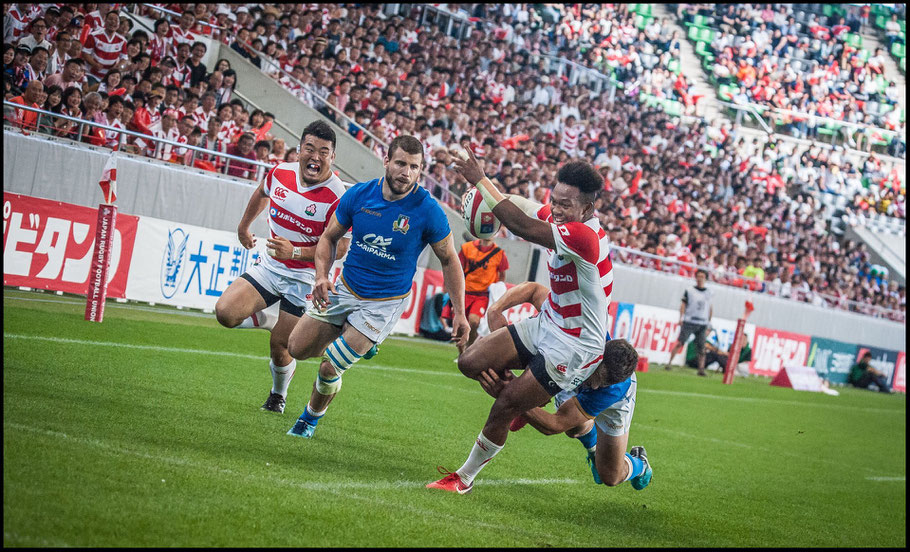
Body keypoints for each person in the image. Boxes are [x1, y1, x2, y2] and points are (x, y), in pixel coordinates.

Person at [427, 150, 613, 494]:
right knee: (470, 362)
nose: (555, 210)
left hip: (574, 345)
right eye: (554, 201)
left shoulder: (585, 238)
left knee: (505, 403)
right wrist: (489, 194)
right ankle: (528, 393)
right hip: (548, 323)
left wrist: (480, 180)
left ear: (586, 210)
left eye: (565, 205)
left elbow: (522, 224)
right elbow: (525, 206)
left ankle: (464, 477)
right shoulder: (561, 217)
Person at [285, 135, 470, 439]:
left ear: (420, 171)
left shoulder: (428, 210)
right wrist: (321, 276)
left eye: (414, 167)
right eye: (400, 163)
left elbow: (450, 260)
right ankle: (357, 339)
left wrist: (459, 313)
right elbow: (329, 238)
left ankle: (309, 418)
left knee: (330, 368)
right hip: (345, 288)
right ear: (386, 162)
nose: (405, 172)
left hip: (383, 303)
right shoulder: (359, 195)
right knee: (296, 348)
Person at [214, 120, 350, 414]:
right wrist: (243, 226)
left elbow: (340, 247)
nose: (315, 157)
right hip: (270, 267)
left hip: (304, 278)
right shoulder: (280, 172)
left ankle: (278, 395)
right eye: (309, 149)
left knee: (281, 346)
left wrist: (297, 251)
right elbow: (262, 193)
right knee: (224, 313)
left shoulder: (339, 194)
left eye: (323, 152)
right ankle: (266, 317)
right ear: (299, 150)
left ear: (332, 157)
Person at [481, 281, 651, 489]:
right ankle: (592, 448)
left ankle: (640, 465)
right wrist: (496, 308)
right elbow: (533, 290)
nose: (595, 387)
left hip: (617, 401)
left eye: (601, 385)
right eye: (596, 379)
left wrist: (512, 397)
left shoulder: (610, 389)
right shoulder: (583, 330)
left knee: (610, 476)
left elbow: (554, 425)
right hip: (578, 369)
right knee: (573, 428)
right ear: (597, 355)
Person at [442, 236, 509, 348]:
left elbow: (502, 275)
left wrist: (496, 291)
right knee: (459, 325)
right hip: (464, 292)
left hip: (482, 295)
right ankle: (461, 352)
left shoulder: (499, 253)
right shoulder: (467, 248)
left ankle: (469, 349)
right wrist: (450, 288)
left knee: (474, 321)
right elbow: (457, 269)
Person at [664, 269, 713, 376]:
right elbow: (683, 305)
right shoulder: (690, 290)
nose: (700, 279)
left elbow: (710, 307)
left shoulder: (709, 292)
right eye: (698, 276)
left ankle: (701, 369)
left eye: (702, 277)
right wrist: (681, 318)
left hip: (702, 322)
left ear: (705, 279)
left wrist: (709, 321)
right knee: (680, 342)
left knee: (701, 347)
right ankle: (669, 363)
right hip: (689, 321)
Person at [685, 329, 751, 374]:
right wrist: (724, 353)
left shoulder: (748, 349)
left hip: (698, 362)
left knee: (716, 355)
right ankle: (728, 370)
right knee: (714, 354)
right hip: (693, 362)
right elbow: (711, 348)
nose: (708, 332)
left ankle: (728, 369)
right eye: (707, 330)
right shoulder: (700, 340)